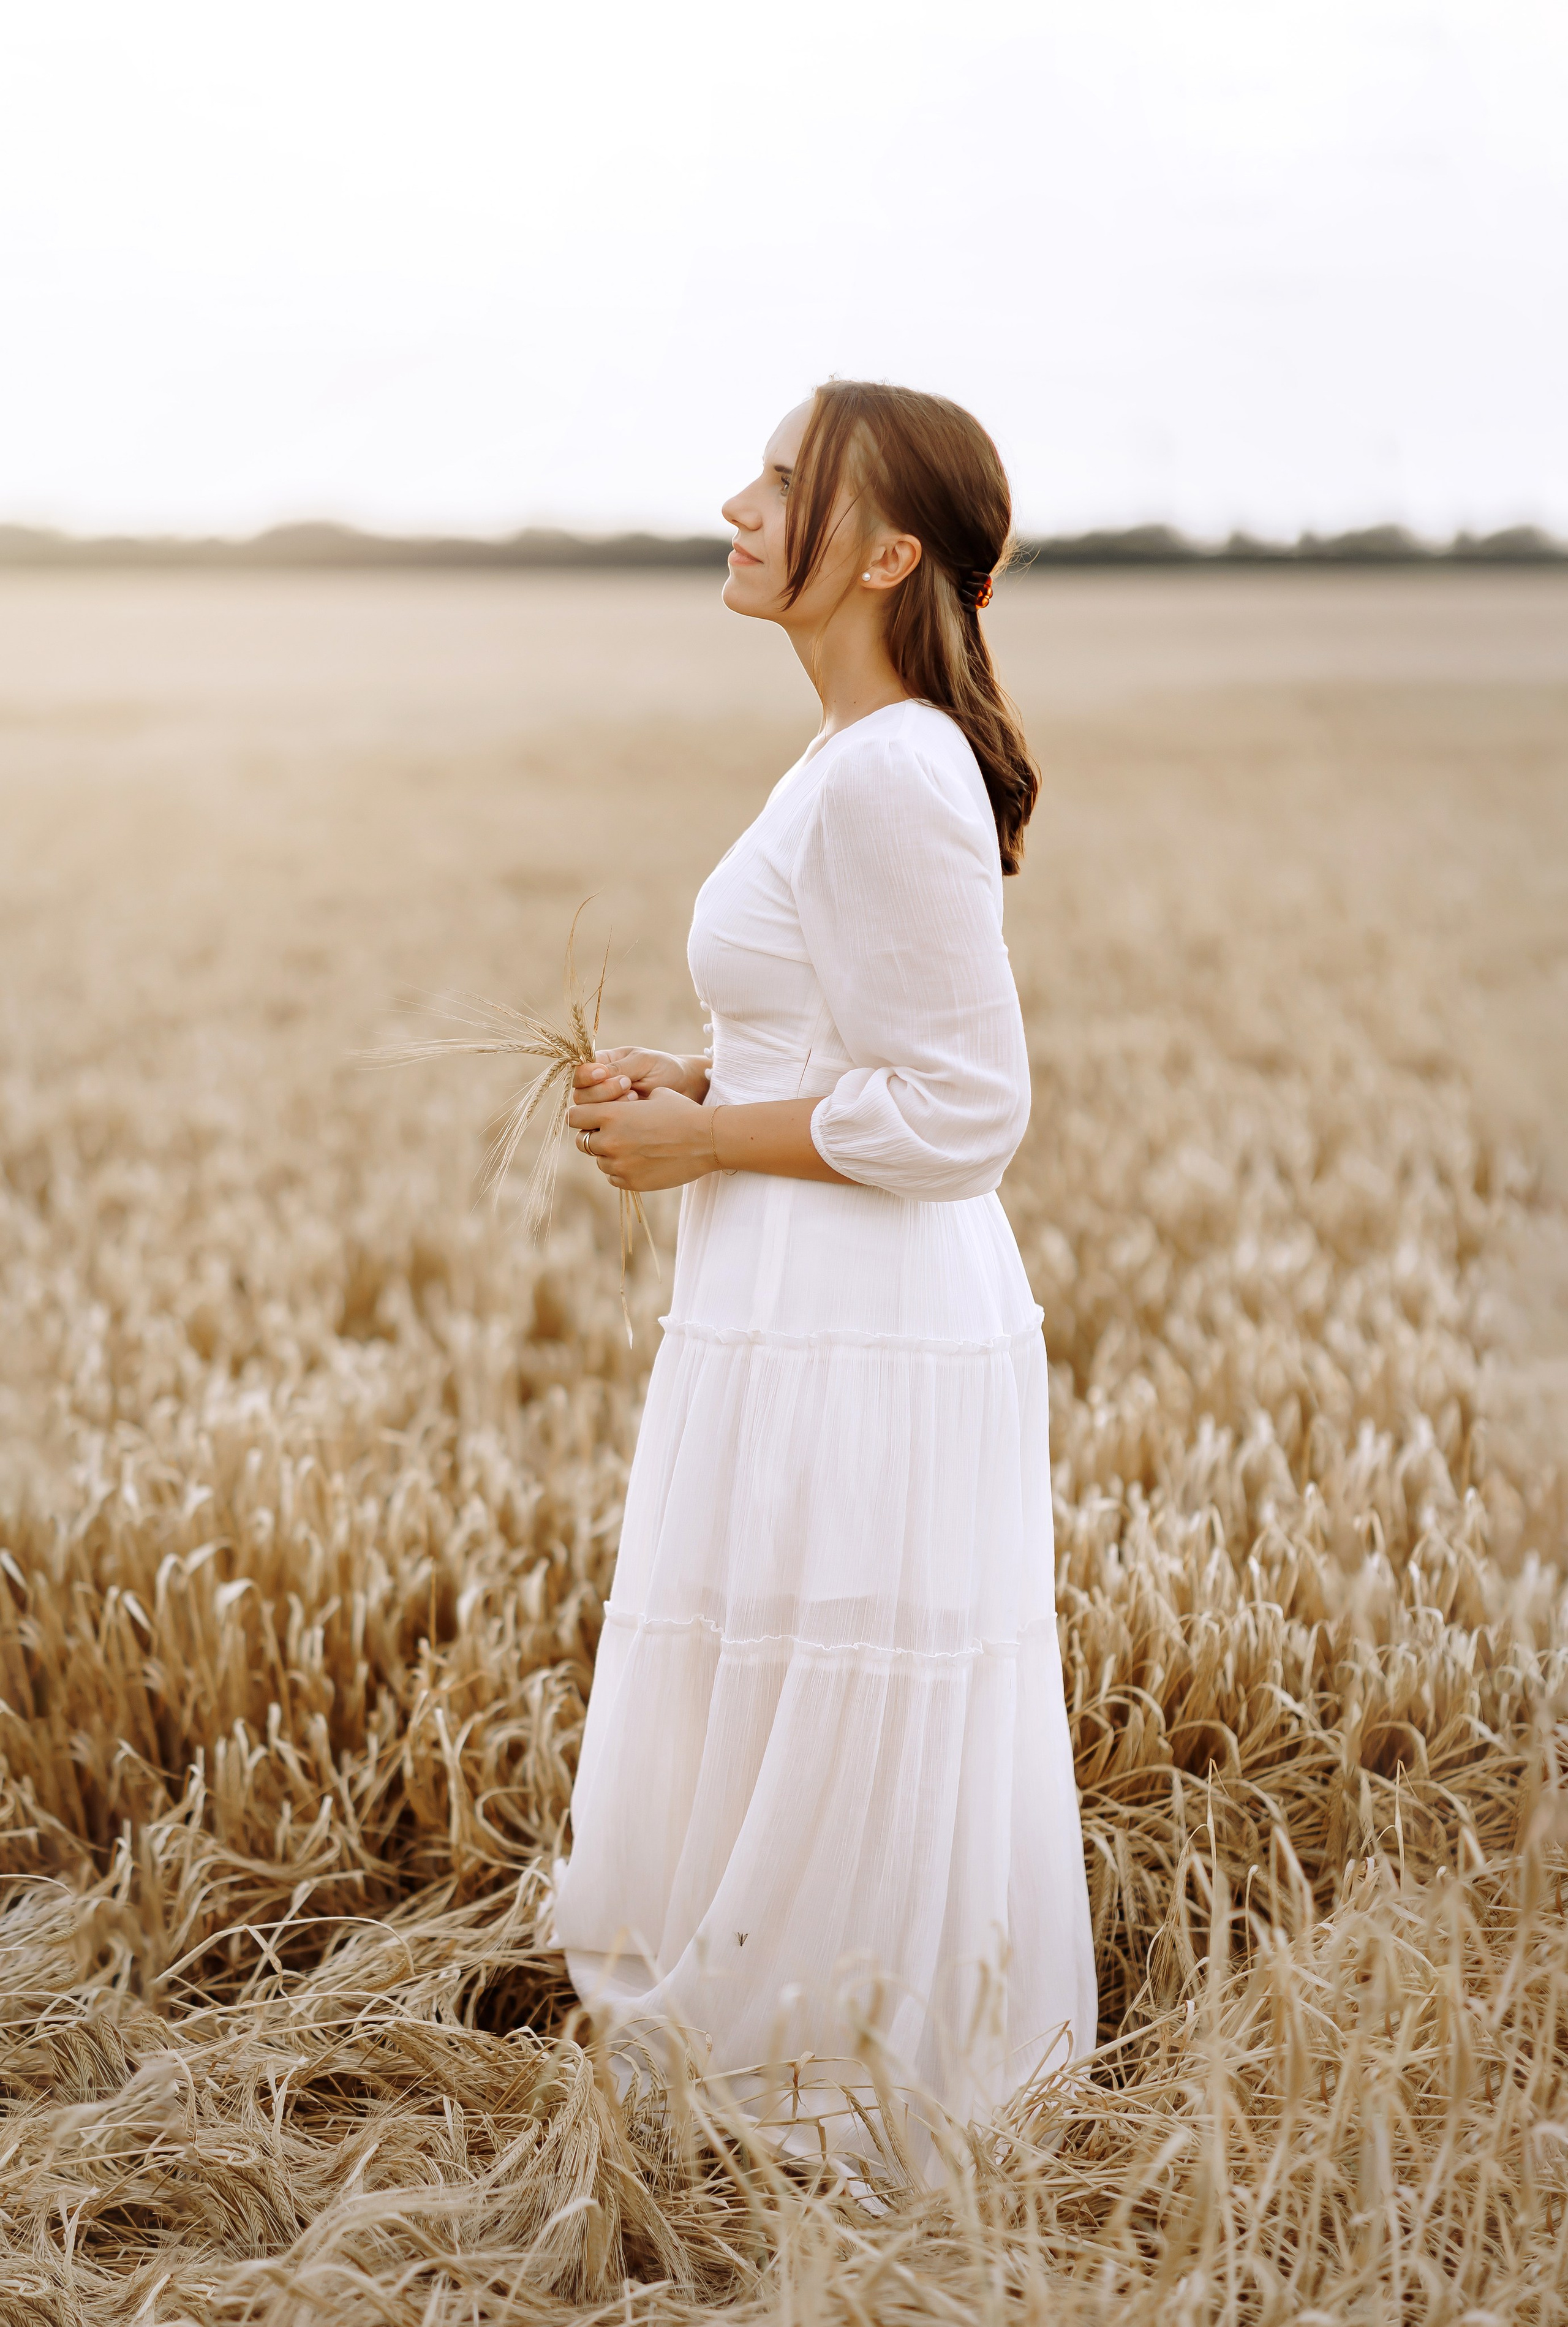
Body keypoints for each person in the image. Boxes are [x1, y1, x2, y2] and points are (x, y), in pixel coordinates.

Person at [550, 380, 1096, 2182]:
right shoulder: (850, 754)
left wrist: (708, 1141)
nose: (739, 501)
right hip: (802, 1296)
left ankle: (840, 2105)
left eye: (785, 482)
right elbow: (846, 1036)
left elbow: (966, 1107)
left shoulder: (891, 769)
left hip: (869, 1317)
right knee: (793, 1680)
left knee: (840, 1683)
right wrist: (701, 1078)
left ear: (883, 554)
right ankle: (777, 2078)